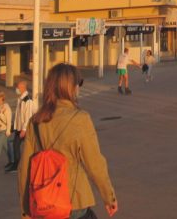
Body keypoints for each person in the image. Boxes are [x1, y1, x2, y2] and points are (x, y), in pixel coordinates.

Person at [18, 63, 118, 219]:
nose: (78, 88)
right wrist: (108, 196)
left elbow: (25, 169)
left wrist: (26, 209)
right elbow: (95, 163)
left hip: (44, 203)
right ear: (70, 87)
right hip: (73, 202)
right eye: (77, 84)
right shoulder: (80, 119)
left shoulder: (35, 122)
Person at [6, 80, 36, 173]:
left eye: (18, 87)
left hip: (25, 129)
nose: (17, 89)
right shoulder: (20, 99)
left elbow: (28, 117)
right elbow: (18, 115)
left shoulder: (28, 101)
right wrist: (13, 127)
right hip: (19, 128)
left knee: (20, 146)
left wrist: (24, 129)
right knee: (16, 145)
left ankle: (17, 165)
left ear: (23, 88)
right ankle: (15, 163)